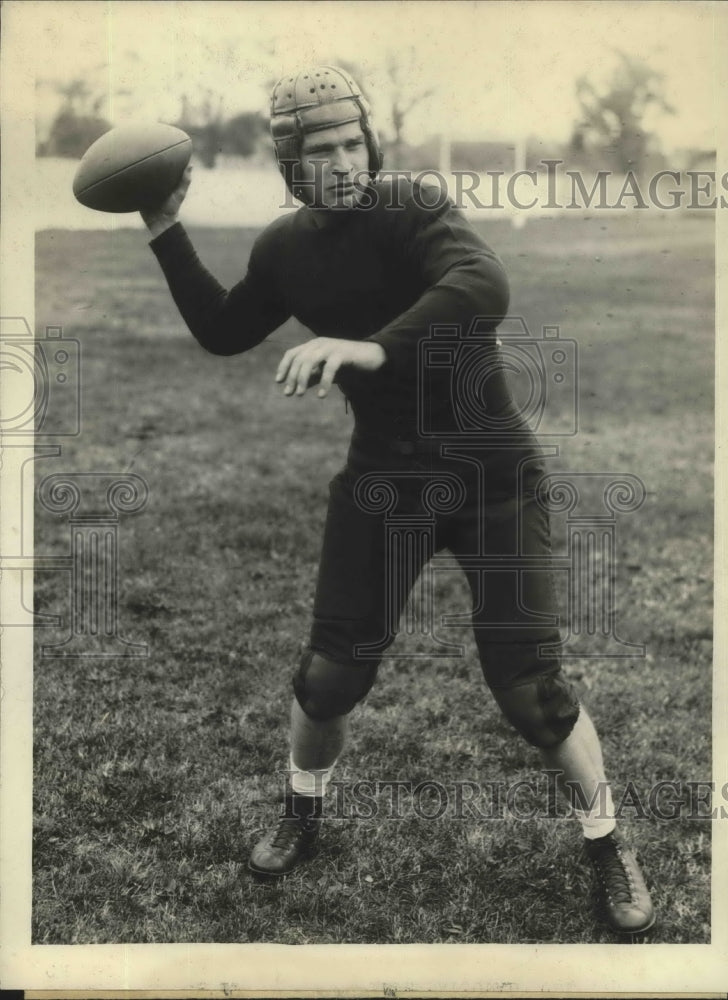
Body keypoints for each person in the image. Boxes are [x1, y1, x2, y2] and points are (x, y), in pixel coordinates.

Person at [141, 65, 655, 936]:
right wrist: (163, 226)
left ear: (371, 145)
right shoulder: (283, 248)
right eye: (322, 150)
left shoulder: (412, 205)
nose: (344, 162)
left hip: (491, 478)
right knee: (329, 677)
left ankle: (607, 841)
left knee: (532, 692)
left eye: (353, 143)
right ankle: (303, 809)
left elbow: (483, 286)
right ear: (291, 164)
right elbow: (224, 330)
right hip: (384, 481)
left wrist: (371, 348)